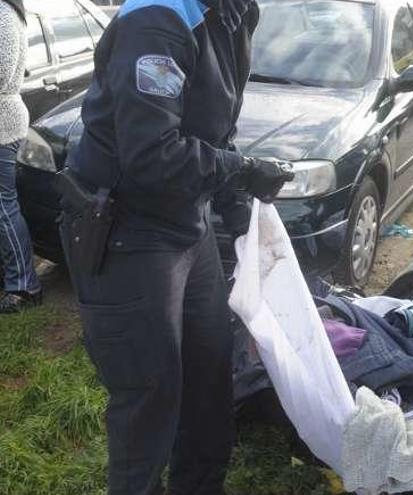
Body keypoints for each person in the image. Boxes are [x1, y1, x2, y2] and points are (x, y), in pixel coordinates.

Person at [58, 1, 293, 493]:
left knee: (209, 381)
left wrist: (235, 209)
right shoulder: (156, 21)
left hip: (188, 223)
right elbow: (153, 157)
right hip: (127, 230)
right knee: (149, 397)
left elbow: (216, 126)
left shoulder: (236, 12)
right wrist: (245, 170)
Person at [0, 0, 42, 314]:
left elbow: (2, 74)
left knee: (4, 207)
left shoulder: (4, 13)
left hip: (3, 124)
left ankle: (25, 286)